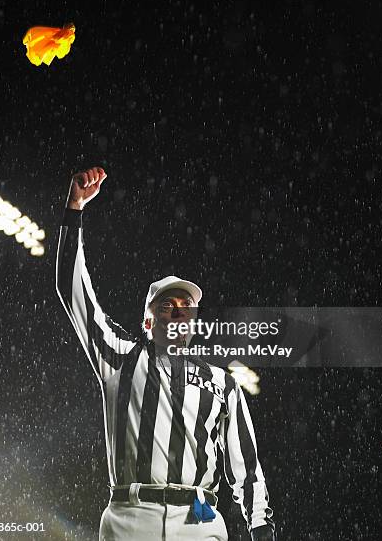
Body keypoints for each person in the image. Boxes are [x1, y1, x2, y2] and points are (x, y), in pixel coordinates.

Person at [56, 166, 276, 541]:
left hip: (199, 517)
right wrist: (74, 208)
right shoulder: (120, 357)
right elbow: (71, 288)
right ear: (147, 322)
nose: (179, 311)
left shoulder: (222, 383)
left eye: (187, 307)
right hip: (130, 518)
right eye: (167, 305)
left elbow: (247, 468)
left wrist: (260, 525)